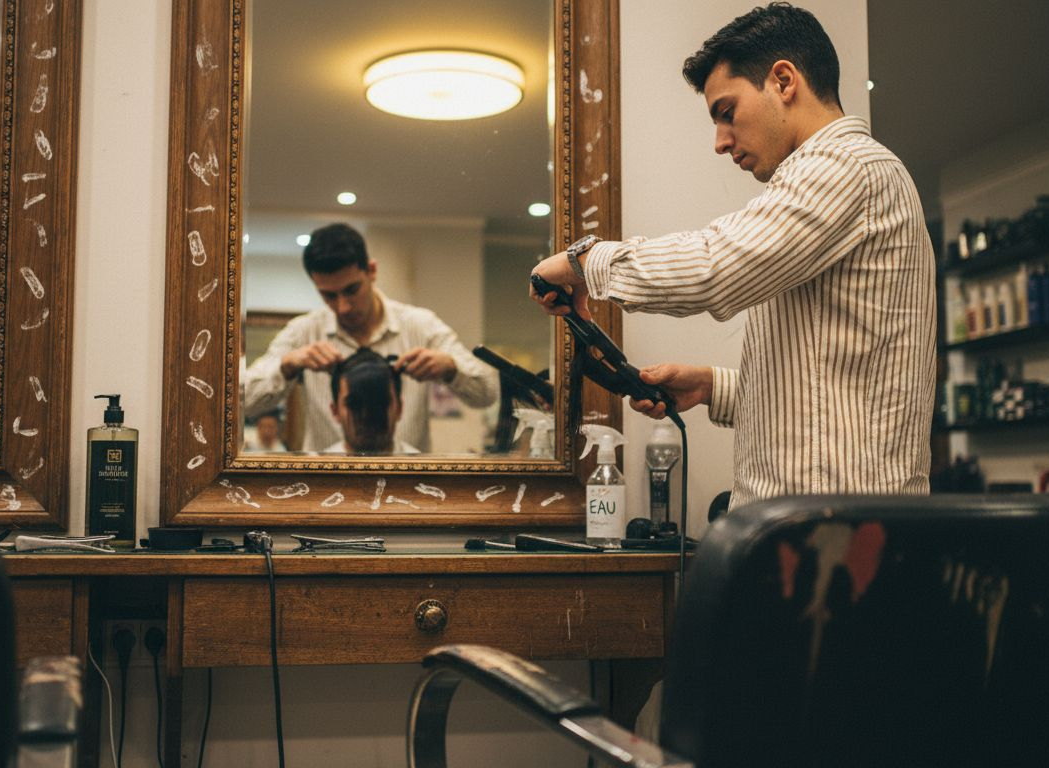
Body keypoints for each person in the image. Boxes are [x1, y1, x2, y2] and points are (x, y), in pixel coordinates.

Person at [531, 3, 935, 510]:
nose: (721, 142)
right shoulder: (834, 179)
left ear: (783, 81)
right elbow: (827, 392)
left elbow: (714, 267)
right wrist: (710, 387)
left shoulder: (845, 166)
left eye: (727, 113)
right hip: (819, 532)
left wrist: (583, 261)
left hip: (838, 539)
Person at [240, 223, 498, 452]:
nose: (343, 307)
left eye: (351, 290)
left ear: (371, 271)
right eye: (329, 296)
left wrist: (451, 368)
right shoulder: (303, 332)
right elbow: (242, 403)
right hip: (326, 486)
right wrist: (286, 367)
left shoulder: (421, 326)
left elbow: (487, 392)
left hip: (405, 485)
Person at [323, 348, 419, 455]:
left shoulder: (425, 468)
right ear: (335, 411)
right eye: (355, 404)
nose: (366, 415)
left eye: (379, 403)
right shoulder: (313, 469)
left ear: (399, 408)